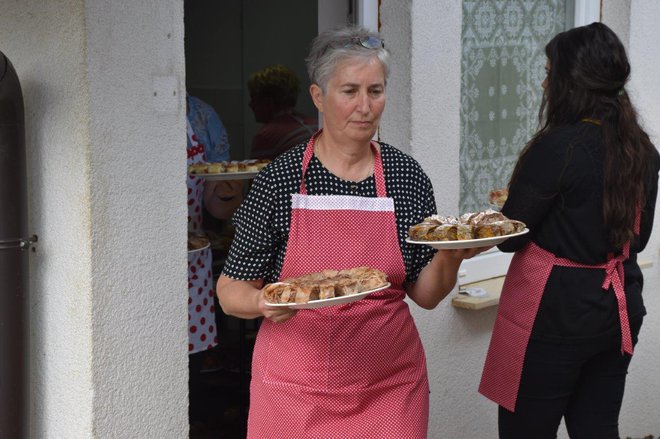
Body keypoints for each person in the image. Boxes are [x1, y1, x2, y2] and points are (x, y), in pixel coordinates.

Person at [216, 26, 489, 437]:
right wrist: (261, 302)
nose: (365, 106)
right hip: (294, 392)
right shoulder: (279, 180)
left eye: (375, 91)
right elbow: (230, 291)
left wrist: (451, 254)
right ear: (318, 97)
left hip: (388, 387)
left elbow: (426, 295)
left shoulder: (405, 177)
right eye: (349, 91)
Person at [478, 22, 660, 438]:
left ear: (569, 82)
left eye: (549, 72)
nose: (545, 84)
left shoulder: (558, 147)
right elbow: (637, 238)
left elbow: (512, 236)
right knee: (597, 428)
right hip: (618, 310)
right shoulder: (643, 151)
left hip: (555, 315)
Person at [247, 64, 318, 160]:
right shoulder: (316, 125)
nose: (250, 105)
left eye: (254, 98)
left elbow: (258, 172)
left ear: (268, 101)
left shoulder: (266, 137)